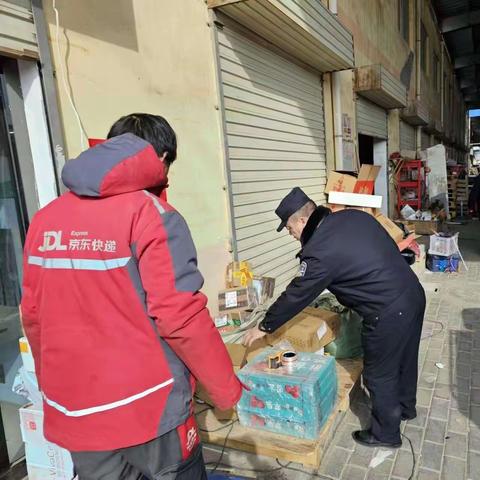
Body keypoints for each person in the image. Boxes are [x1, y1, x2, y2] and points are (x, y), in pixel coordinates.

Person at [20, 113, 243, 479]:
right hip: (150, 410)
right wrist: (225, 390)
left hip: (78, 412)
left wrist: (54, 390)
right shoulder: (151, 214)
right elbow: (179, 316)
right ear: (162, 159)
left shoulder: (45, 220)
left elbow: (32, 314)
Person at [244, 187, 426, 449]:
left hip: (387, 311)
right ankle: (406, 408)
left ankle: (386, 433)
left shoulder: (319, 249)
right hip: (412, 293)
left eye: (289, 228)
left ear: (302, 221)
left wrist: (265, 326)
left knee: (379, 373)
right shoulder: (352, 217)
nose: (291, 234)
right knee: (406, 357)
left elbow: (298, 293)